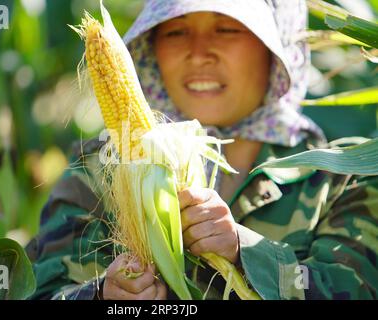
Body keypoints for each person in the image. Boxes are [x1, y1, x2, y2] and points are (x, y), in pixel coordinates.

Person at [25, 0, 378, 300]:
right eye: (176, 31)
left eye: (227, 29)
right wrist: (104, 294)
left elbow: (357, 288)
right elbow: (39, 289)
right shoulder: (99, 167)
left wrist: (245, 250)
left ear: (276, 47)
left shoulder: (343, 175)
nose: (199, 53)